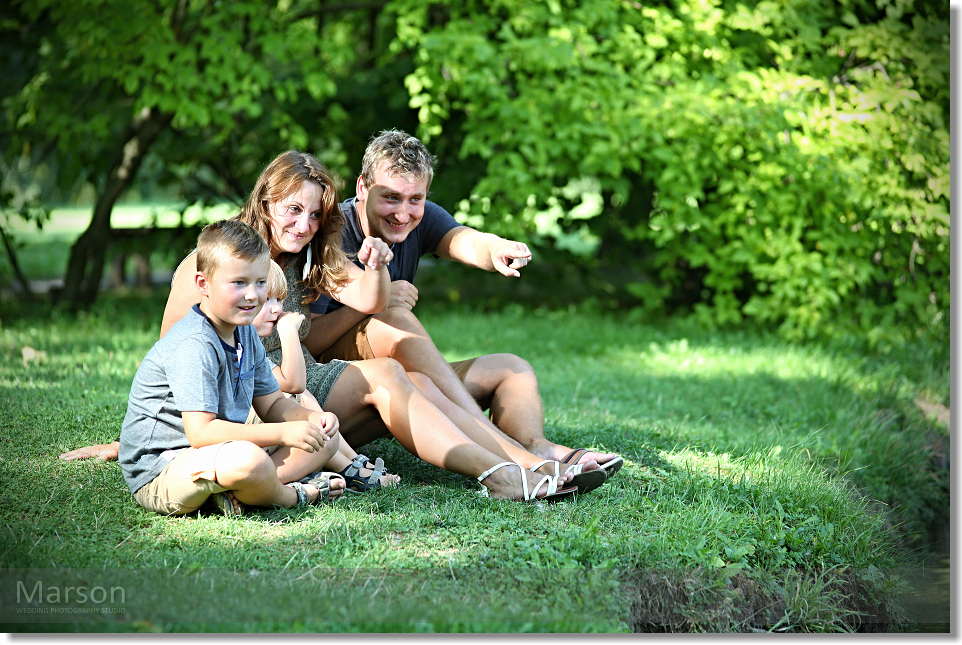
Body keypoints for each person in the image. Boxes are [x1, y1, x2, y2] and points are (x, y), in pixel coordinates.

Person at [74, 150, 593, 501]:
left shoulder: (312, 252)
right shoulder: (212, 267)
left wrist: (376, 265)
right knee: (390, 375)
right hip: (257, 398)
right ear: (265, 203)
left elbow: (369, 296)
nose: (304, 224)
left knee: (408, 376)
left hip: (289, 384)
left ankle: (516, 466)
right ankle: (501, 473)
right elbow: (175, 361)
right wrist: (146, 439)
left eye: (316, 214)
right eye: (292, 210)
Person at [303, 129, 623, 477]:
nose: (403, 212)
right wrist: (370, 305)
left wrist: (497, 247)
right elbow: (307, 342)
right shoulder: (333, 233)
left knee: (509, 369)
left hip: (394, 382)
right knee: (394, 317)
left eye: (415, 199)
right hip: (331, 396)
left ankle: (534, 445)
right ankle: (511, 455)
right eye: (391, 197)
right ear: (363, 187)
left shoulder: (419, 220)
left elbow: (465, 241)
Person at [120, 219, 347, 517]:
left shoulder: (244, 332)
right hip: (164, 467)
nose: (253, 295)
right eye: (239, 283)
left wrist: (311, 421)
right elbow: (201, 433)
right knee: (247, 460)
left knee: (325, 436)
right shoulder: (195, 343)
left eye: (260, 282)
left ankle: (244, 491)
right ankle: (293, 495)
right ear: (204, 284)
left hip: (216, 452)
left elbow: (273, 402)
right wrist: (284, 434)